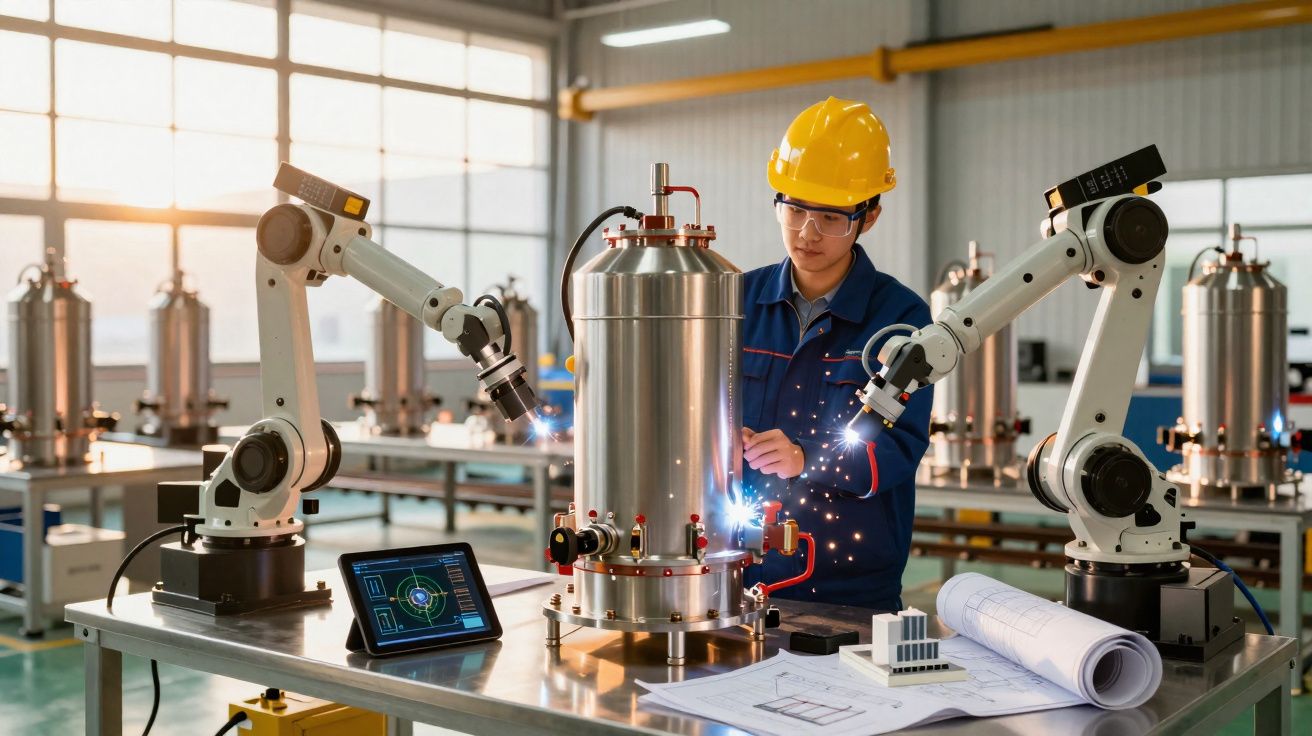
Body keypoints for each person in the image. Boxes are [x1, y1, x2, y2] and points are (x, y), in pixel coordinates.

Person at [740, 97, 933, 612]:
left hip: (849, 591)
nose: (807, 232)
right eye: (795, 208)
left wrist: (806, 455)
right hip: (735, 572)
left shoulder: (900, 317)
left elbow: (898, 449)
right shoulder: (734, 301)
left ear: (869, 216)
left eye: (830, 216)